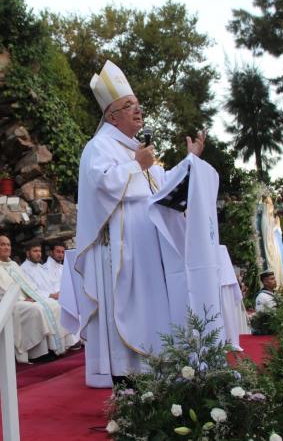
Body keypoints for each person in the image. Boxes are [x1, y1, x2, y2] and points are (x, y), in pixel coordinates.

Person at [74, 60, 208, 387]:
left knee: (151, 313)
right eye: (128, 105)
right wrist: (136, 164)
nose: (137, 109)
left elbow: (161, 186)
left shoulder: (138, 150)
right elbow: (101, 185)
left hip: (147, 248)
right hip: (122, 251)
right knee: (127, 313)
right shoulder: (99, 147)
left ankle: (155, 377)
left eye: (137, 104)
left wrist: (191, 162)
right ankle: (130, 386)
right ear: (111, 115)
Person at [0, 235, 75, 362]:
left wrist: (34, 296)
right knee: (37, 310)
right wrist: (21, 299)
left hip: (24, 299)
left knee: (55, 305)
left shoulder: (13, 265)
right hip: (5, 304)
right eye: (2, 244)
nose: (6, 247)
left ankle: (53, 347)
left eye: (8, 244)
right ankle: (38, 353)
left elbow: (28, 285)